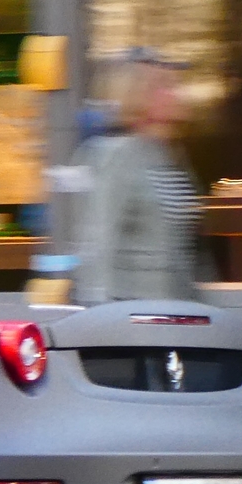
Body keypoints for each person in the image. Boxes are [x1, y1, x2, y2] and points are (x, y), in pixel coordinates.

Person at [73, 49, 205, 304]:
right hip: (134, 317)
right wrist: (102, 317)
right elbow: (99, 243)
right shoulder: (117, 154)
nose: (175, 94)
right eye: (163, 86)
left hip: (175, 312)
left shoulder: (168, 154)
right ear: (136, 95)